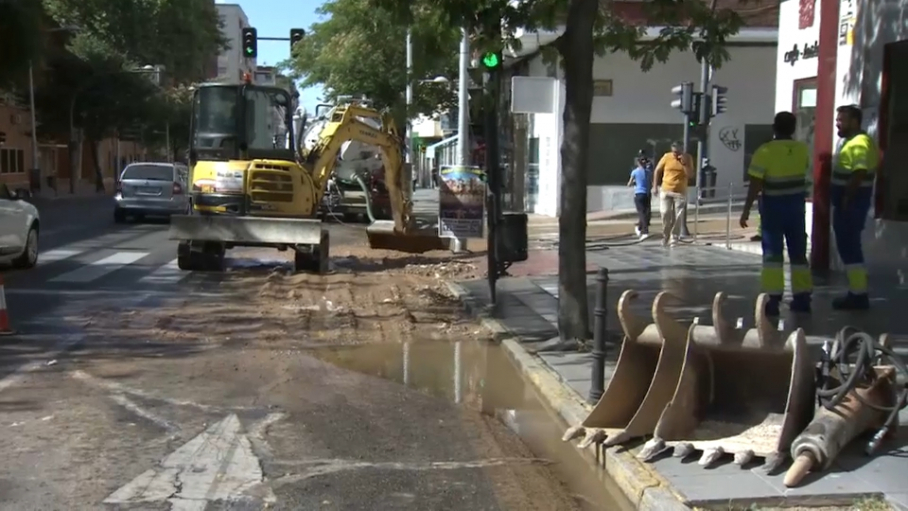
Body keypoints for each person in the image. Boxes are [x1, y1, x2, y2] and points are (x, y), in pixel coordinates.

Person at [740, 112, 813, 316]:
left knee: (772, 254)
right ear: (793, 128)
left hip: (773, 209)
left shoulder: (765, 151)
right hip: (796, 208)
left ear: (774, 127)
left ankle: (773, 299)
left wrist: (746, 210)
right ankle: (802, 297)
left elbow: (756, 183)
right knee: (798, 253)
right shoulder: (802, 150)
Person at [830, 104, 879, 310]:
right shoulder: (850, 142)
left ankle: (858, 295)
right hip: (849, 203)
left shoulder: (858, 143)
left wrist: (847, 199)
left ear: (855, 121)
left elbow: (858, 173)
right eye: (837, 119)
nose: (837, 123)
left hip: (851, 204)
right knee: (849, 249)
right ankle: (857, 292)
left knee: (850, 248)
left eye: (842, 120)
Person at [652, 142, 693, 247]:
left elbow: (690, 175)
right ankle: (665, 235)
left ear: (682, 150)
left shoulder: (687, 158)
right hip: (666, 189)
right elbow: (657, 170)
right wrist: (655, 186)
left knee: (678, 216)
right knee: (665, 213)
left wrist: (684, 164)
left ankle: (674, 237)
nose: (675, 154)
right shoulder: (667, 157)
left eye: (677, 152)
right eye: (674, 152)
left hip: (680, 191)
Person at [628, 156, 652, 239]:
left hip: (638, 193)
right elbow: (650, 182)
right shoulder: (648, 172)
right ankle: (641, 229)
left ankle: (642, 229)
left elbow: (629, 184)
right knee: (645, 213)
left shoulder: (634, 172)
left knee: (642, 212)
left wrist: (634, 182)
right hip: (647, 193)